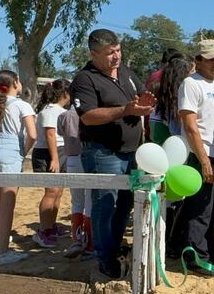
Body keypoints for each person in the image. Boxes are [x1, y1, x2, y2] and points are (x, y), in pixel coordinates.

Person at [71, 29, 156, 279]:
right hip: (102, 152)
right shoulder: (85, 79)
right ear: (94, 54)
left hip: (132, 153)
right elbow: (87, 116)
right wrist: (125, 110)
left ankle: (114, 247)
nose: (116, 57)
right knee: (104, 205)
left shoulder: (127, 73)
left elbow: (141, 98)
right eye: (110, 53)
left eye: (118, 50)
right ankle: (104, 257)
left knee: (126, 204)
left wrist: (146, 103)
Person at [172, 39, 214, 268]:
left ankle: (208, 251)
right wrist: (203, 159)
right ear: (197, 61)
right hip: (201, 153)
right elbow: (190, 125)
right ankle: (196, 256)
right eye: (211, 59)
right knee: (201, 207)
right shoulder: (191, 84)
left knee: (213, 207)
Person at [0, 70, 36, 265]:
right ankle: (3, 251)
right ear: (15, 83)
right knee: (8, 202)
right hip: (9, 153)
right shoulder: (21, 105)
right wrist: (23, 152)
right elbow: (32, 135)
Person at [31, 79, 71, 248]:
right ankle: (43, 232)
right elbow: (50, 135)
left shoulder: (60, 110)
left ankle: (51, 227)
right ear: (65, 93)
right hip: (48, 153)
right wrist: (54, 158)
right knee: (51, 192)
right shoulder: (49, 111)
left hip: (60, 151)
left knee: (58, 191)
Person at [58, 105, 93, 258]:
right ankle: (89, 242)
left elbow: (60, 133)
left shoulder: (64, 116)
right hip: (87, 156)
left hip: (71, 159)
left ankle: (77, 239)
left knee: (76, 201)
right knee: (89, 200)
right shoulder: (88, 113)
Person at [149, 56, 192, 144]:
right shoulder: (177, 98)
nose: (194, 74)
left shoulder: (165, 91)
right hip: (171, 141)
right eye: (191, 71)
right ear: (182, 74)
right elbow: (179, 131)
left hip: (157, 134)